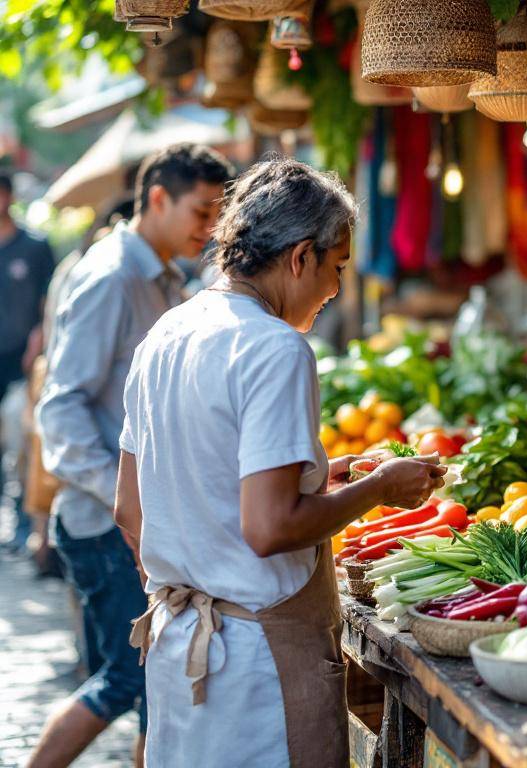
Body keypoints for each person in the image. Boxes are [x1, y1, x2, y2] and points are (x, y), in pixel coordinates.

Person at [114, 156, 447, 767]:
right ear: (301, 257)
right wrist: (377, 487)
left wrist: (324, 473)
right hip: (257, 670)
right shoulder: (274, 348)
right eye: (337, 266)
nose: (337, 289)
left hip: (180, 651)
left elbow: (131, 508)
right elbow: (268, 528)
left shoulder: (165, 334)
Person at [29, 144, 234, 768]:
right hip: (103, 525)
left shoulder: (166, 275)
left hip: (133, 524)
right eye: (201, 212)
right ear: (157, 199)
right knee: (133, 681)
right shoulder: (112, 275)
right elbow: (59, 410)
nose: (209, 229)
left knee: (149, 687)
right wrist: (126, 500)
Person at [0, 172, 55, 552]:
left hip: (21, 361)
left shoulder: (34, 247)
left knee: (21, 444)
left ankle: (23, 525)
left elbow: (49, 305)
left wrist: (38, 339)